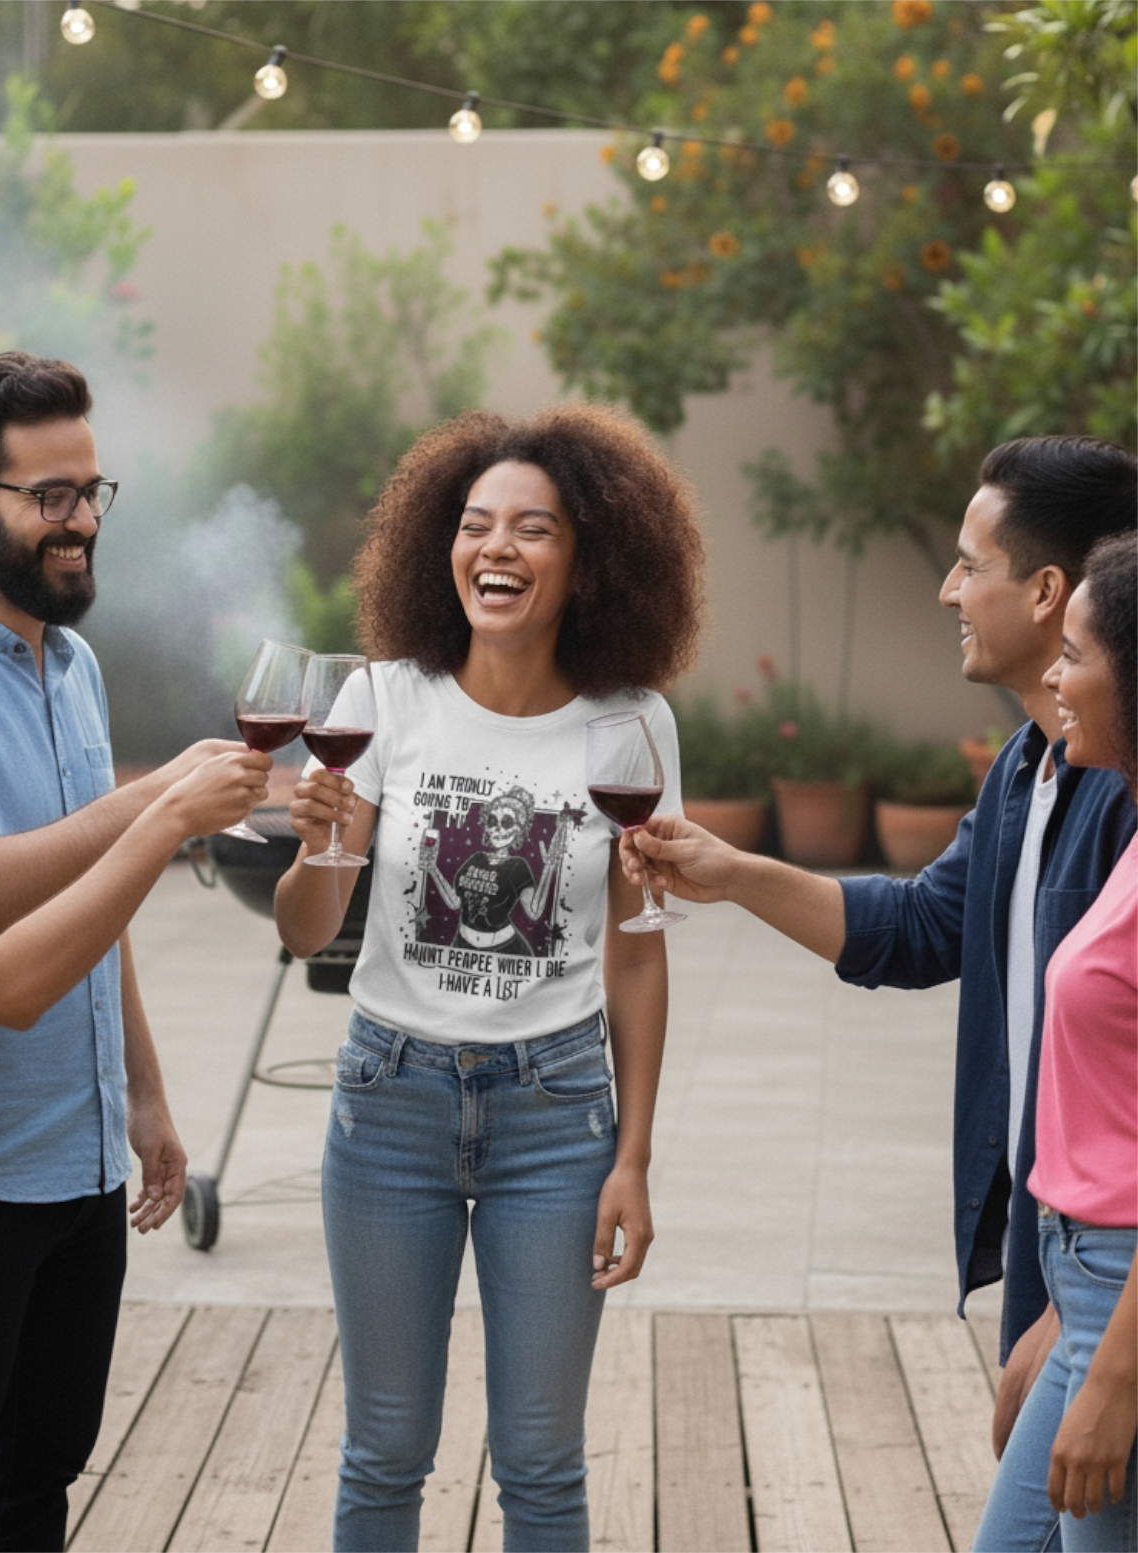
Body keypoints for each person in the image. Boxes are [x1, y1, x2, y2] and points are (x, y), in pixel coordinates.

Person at [620, 437, 1138, 1470]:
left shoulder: (1120, 793)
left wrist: (1088, 1321)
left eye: (966, 563)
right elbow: (916, 929)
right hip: (1059, 1244)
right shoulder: (1022, 769)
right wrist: (731, 872)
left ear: (1044, 590)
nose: (947, 588)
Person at [273, 403, 703, 1552]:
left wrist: (634, 1154)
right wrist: (317, 838)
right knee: (383, 1454)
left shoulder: (631, 725)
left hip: (556, 1116)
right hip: (387, 1103)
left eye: (532, 527)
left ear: (589, 558)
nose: (495, 548)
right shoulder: (384, 699)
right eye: (473, 525)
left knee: (541, 1468)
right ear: (440, 547)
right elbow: (305, 925)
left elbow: (637, 948)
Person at [0, 352, 255, 1552]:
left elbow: (93, 904)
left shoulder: (72, 664)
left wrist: (141, 1093)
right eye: (49, 493)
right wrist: (153, 810)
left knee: (38, 1484)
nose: (79, 518)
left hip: (79, 1164)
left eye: (92, 489)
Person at [974, 530, 1138, 1546]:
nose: (1052, 673)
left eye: (1073, 652)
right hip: (1084, 1282)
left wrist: (1112, 1368)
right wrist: (1055, 1310)